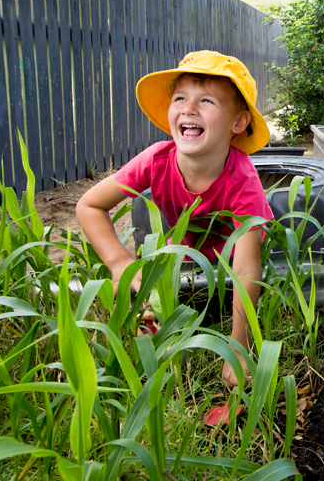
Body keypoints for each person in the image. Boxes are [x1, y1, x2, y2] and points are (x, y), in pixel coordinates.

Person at [76, 50, 273, 390]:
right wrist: (120, 263)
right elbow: (89, 206)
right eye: (180, 97)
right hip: (181, 255)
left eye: (206, 101)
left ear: (238, 123)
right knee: (136, 313)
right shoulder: (155, 160)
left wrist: (238, 349)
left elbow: (245, 270)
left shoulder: (242, 179)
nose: (188, 108)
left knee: (240, 292)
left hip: (230, 260)